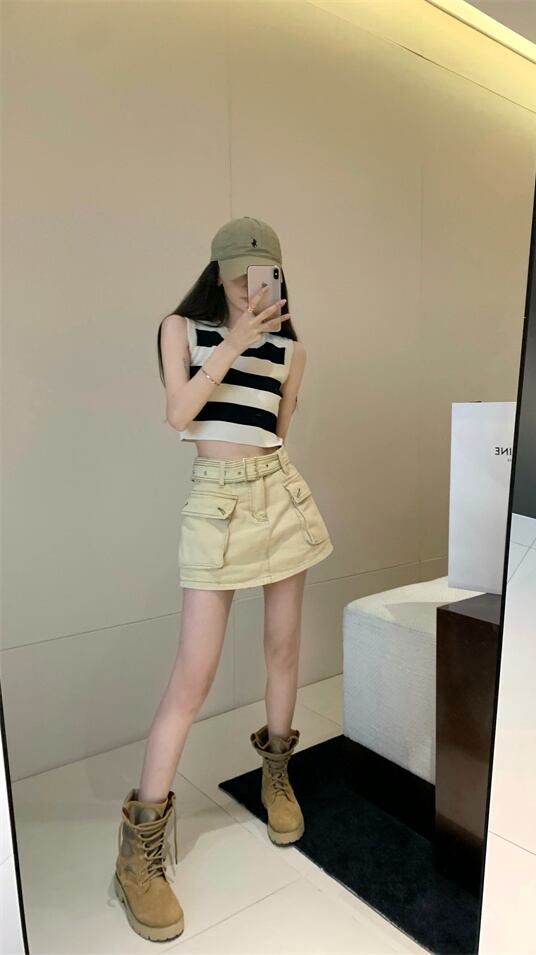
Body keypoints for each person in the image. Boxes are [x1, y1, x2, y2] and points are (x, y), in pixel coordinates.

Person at [113, 217, 334, 942]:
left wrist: (258, 346)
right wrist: (234, 343)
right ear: (217, 271)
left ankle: (275, 774)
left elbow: (277, 432)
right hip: (216, 503)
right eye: (236, 271)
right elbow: (178, 413)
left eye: (259, 272)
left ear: (277, 273)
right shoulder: (181, 329)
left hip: (278, 494)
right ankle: (139, 852)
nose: (246, 284)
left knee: (283, 651)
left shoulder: (293, 351)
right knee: (194, 675)